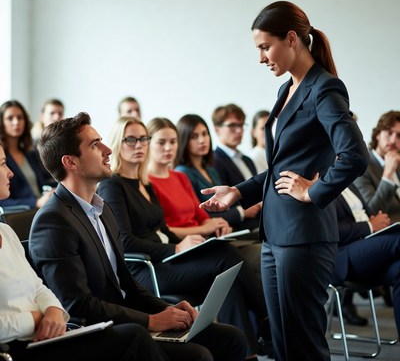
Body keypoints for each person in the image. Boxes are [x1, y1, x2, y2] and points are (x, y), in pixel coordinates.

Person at [200, 1, 369, 361]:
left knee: (304, 345)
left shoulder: (324, 89)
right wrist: (238, 192)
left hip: (304, 236)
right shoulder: (287, 90)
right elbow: (281, 167)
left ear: (291, 38)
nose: (261, 58)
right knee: (283, 344)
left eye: (265, 47)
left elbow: (355, 155)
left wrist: (314, 191)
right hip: (277, 236)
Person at [29, 112, 247, 361]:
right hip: (98, 332)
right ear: (70, 162)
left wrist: (167, 309)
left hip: (128, 318)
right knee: (198, 355)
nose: (108, 149)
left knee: (231, 339)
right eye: (94, 144)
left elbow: (127, 285)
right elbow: (77, 305)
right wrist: (151, 320)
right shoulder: (53, 221)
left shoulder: (101, 209)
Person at [97, 116, 271, 360]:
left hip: (164, 259)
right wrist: (176, 248)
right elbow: (125, 242)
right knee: (226, 256)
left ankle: (246, 353)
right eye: (131, 140)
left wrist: (189, 243)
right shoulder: (113, 185)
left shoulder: (143, 183)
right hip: (145, 269)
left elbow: (163, 229)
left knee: (228, 277)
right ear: (117, 143)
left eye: (143, 139)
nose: (139, 145)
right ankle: (268, 321)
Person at [0, 143, 170, 361]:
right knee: (134, 337)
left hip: (47, 335)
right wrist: (37, 318)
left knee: (202, 348)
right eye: (4, 164)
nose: (11, 171)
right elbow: (76, 302)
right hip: (17, 349)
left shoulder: (6, 231)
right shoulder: (54, 219)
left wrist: (52, 310)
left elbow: (38, 287)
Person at [332, 183, 400, 334]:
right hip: (343, 254)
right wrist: (369, 225)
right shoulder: (319, 183)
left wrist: (377, 221)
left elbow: (362, 213)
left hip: (367, 245)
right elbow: (328, 230)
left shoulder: (349, 181)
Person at [175, 113, 260, 230]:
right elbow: (198, 215)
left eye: (205, 134)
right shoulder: (182, 173)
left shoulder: (210, 168)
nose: (202, 140)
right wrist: (240, 213)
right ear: (183, 140)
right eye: (194, 136)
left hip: (228, 229)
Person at [0, 100, 55, 209]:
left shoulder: (31, 154)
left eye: (20, 118)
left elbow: (43, 182)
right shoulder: (1, 159)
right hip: (22, 213)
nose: (16, 122)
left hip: (42, 206)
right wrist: (35, 202)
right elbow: (2, 202)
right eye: (10, 118)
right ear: (1, 122)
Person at [354, 110, 400, 223]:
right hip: (389, 232)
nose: (394, 140)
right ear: (378, 134)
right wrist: (388, 174)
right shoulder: (362, 166)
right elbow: (372, 213)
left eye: (399, 136)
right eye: (389, 133)